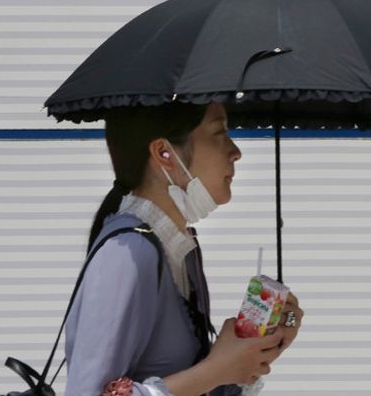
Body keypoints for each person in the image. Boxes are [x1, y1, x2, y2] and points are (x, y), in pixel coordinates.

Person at [63, 102, 303, 395]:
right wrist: (217, 369)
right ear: (164, 154)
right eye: (219, 133)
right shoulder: (127, 253)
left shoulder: (181, 248)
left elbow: (198, 384)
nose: (235, 151)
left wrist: (253, 352)